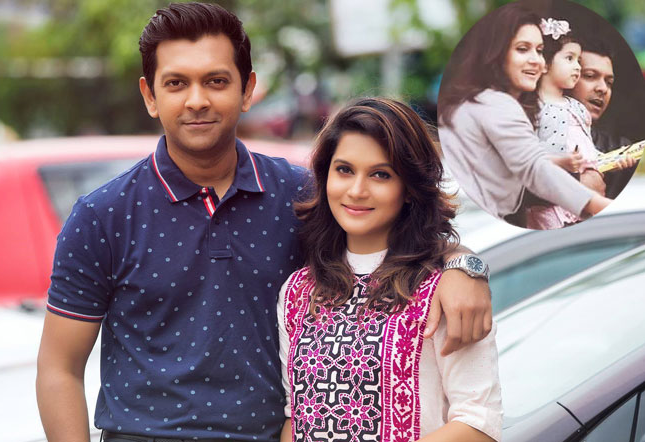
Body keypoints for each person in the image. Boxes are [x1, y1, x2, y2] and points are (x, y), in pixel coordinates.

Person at [36, 3, 494, 442]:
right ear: (150, 96)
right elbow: (59, 367)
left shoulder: (303, 195)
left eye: (216, 81)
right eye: (176, 83)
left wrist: (462, 265)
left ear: (248, 89)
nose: (197, 100)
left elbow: (399, 231)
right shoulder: (103, 216)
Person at [278, 98, 501, 441]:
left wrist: (464, 266)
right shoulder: (298, 290)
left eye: (380, 174)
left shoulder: (444, 287)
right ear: (325, 177)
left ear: (409, 189)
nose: (357, 190)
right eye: (344, 170)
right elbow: (295, 418)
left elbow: (478, 424)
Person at [437, 2, 610, 228]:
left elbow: (522, 161)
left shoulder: (475, 102)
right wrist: (601, 206)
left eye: (539, 50)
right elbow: (534, 169)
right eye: (522, 49)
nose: (536, 60)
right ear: (496, 53)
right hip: (470, 222)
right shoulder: (496, 104)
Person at [527, 19, 602, 229]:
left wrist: (610, 161)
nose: (577, 67)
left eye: (579, 60)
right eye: (569, 58)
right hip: (549, 209)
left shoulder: (578, 108)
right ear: (544, 63)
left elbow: (587, 149)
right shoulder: (531, 109)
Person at [569, 38, 640, 199]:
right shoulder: (531, 137)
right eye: (590, 76)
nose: (603, 88)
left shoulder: (621, 149)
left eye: (609, 82)